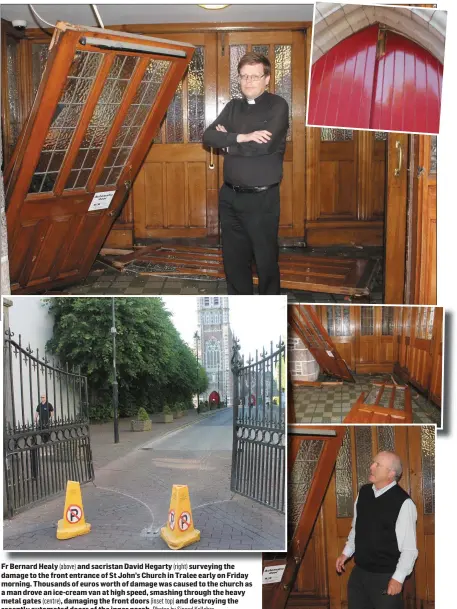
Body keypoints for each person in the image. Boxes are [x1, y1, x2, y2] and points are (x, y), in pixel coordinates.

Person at [202, 52, 289, 295]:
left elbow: (264, 145)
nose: (248, 81)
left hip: (261, 200)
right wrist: (242, 137)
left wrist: (227, 143)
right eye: (243, 76)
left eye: (254, 76)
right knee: (233, 261)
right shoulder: (232, 107)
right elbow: (209, 136)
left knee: (265, 262)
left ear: (267, 79)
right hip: (229, 197)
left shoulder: (277, 105)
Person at [335, 451, 418, 609]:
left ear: (391, 473)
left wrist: (398, 579)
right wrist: (346, 553)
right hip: (359, 574)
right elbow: (357, 528)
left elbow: (409, 549)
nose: (371, 466)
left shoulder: (404, 503)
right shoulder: (364, 492)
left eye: (377, 464)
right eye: (373, 462)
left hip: (386, 577)